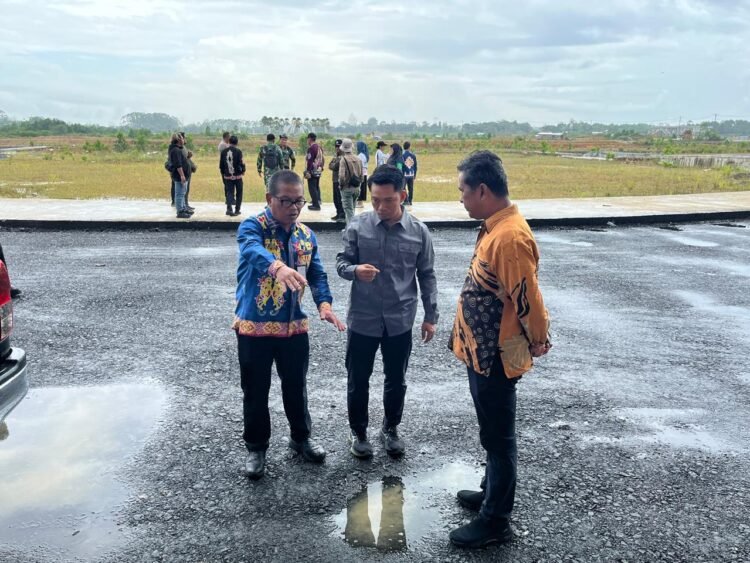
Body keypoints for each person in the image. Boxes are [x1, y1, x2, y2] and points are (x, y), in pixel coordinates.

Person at [447, 151, 551, 549]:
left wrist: (539, 338)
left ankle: (495, 521)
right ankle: (490, 490)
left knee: (499, 439)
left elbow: (528, 299)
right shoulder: (495, 227)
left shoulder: (509, 237)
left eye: (463, 190)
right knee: (491, 433)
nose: (460, 198)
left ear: (482, 190)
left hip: (496, 356)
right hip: (482, 352)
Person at [233, 170, 346, 479]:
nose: (294, 208)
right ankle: (256, 447)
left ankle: (301, 438)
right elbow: (251, 250)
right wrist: (277, 267)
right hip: (254, 327)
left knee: (296, 386)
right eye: (286, 201)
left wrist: (324, 305)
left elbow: (317, 274)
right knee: (255, 390)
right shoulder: (252, 227)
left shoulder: (306, 235)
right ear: (270, 198)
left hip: (294, 327)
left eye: (299, 201)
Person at [336, 165, 438, 459]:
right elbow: (341, 264)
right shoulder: (357, 226)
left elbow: (427, 275)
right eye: (375, 200)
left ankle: (390, 429)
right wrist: (355, 270)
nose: (380, 207)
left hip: (399, 319)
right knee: (358, 379)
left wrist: (430, 317)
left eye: (388, 200)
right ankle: (359, 433)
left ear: (402, 196)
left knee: (396, 379)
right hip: (363, 319)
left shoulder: (418, 232)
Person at [337, 138, 363, 225]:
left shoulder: (343, 160)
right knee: (352, 209)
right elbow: (362, 175)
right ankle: (349, 228)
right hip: (356, 188)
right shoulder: (358, 159)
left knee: (349, 211)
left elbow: (341, 176)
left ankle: (351, 230)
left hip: (347, 188)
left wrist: (341, 185)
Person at [168, 133, 192, 219]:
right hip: (179, 176)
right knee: (179, 194)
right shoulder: (175, 150)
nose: (183, 139)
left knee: (183, 192)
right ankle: (180, 211)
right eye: (182, 138)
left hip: (183, 174)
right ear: (178, 140)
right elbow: (178, 164)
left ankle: (183, 208)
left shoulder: (178, 149)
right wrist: (182, 175)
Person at [219, 135, 245, 216]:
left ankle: (229, 209)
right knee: (239, 193)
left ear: (229, 142)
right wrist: (243, 170)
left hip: (227, 176)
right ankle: (237, 210)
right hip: (237, 176)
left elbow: (221, 165)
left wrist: (223, 173)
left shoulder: (223, 152)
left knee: (229, 193)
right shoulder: (238, 151)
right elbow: (241, 163)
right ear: (237, 143)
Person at [304, 132, 324, 210]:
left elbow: (310, 160)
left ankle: (316, 205)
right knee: (316, 187)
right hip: (318, 170)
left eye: (307, 139)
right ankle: (318, 201)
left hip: (312, 170)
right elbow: (322, 159)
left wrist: (308, 171)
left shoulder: (311, 148)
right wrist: (321, 168)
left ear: (309, 139)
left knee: (312, 188)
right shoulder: (319, 147)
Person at [328, 139, 345, 222]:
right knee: (336, 199)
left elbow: (335, 166)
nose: (337, 148)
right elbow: (330, 165)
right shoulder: (336, 156)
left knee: (340, 198)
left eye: (339, 146)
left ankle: (342, 215)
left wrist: (333, 165)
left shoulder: (343, 156)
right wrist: (333, 165)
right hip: (334, 180)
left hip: (340, 180)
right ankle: (338, 213)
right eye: (336, 146)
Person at [180, 132, 196, 213]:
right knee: (182, 191)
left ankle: (186, 204)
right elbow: (182, 160)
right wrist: (188, 156)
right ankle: (183, 206)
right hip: (183, 172)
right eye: (184, 138)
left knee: (186, 190)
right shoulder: (179, 149)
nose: (185, 139)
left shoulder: (183, 148)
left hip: (187, 172)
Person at [402, 141, 418, 205]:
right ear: (409, 147)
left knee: (403, 188)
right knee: (411, 188)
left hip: (404, 174)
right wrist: (415, 174)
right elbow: (415, 166)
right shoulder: (413, 155)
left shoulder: (402, 155)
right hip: (411, 174)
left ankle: (406, 200)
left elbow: (402, 165)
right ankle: (410, 200)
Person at [356, 141, 369, 208]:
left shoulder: (360, 155)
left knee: (360, 188)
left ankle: (360, 203)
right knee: (362, 188)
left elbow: (358, 165)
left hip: (360, 173)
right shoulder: (365, 155)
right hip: (364, 173)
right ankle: (360, 202)